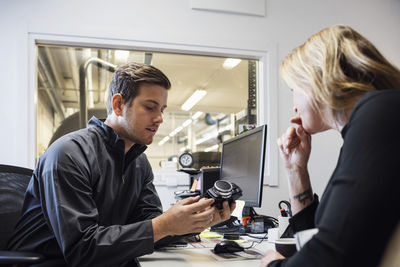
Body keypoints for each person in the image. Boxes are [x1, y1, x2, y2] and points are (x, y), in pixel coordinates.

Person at [8, 62, 235, 266]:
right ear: (118, 104)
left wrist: (197, 222)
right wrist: (164, 225)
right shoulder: (68, 154)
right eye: (150, 107)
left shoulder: (138, 161)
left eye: (162, 109)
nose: (159, 118)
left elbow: (149, 228)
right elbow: (81, 249)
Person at [261, 25, 400, 267]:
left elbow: (330, 257)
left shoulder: (378, 112)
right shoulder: (374, 118)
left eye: (294, 90)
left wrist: (271, 265)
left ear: (316, 80)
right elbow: (317, 238)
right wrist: (296, 170)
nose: (294, 106)